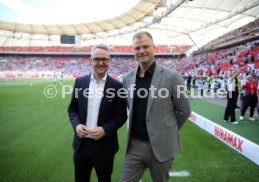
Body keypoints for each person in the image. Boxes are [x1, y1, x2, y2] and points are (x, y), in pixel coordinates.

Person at [120, 31, 191, 182]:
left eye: (145, 46)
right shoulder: (127, 79)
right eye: (137, 48)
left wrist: (165, 132)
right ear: (133, 51)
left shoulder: (172, 77)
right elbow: (129, 107)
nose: (141, 51)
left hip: (161, 147)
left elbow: (184, 110)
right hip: (134, 146)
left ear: (154, 48)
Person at [67, 44, 127, 182]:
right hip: (82, 145)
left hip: (105, 146)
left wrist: (105, 130)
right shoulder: (80, 82)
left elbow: (121, 116)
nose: (101, 63)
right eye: (97, 59)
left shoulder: (117, 86)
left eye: (104, 59)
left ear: (110, 60)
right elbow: (72, 109)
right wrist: (76, 126)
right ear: (91, 60)